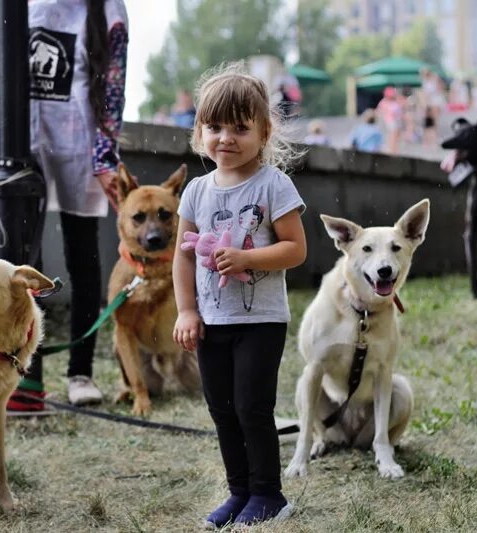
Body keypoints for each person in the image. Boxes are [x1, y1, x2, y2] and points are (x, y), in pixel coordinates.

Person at [173, 62, 306, 527]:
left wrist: (248, 259)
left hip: (261, 320)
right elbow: (184, 256)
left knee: (252, 406)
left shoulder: (274, 185)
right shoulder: (195, 191)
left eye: (239, 128)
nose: (225, 138)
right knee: (222, 410)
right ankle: (239, 491)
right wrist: (187, 310)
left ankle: (269, 494)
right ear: (199, 131)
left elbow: (296, 249)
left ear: (264, 132)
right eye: (214, 127)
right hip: (212, 321)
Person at [0, 0, 129, 408]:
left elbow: (112, 87)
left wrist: (105, 158)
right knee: (24, 259)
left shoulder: (108, 10)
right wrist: (0, 44)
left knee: (82, 256)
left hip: (78, 142)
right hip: (24, 140)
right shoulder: (25, 4)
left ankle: (80, 373)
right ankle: (26, 374)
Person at [376, 86, 403, 154]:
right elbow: (379, 112)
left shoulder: (396, 101)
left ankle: (395, 150)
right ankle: (392, 151)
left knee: (396, 137)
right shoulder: (383, 102)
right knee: (392, 137)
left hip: (397, 121)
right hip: (390, 121)